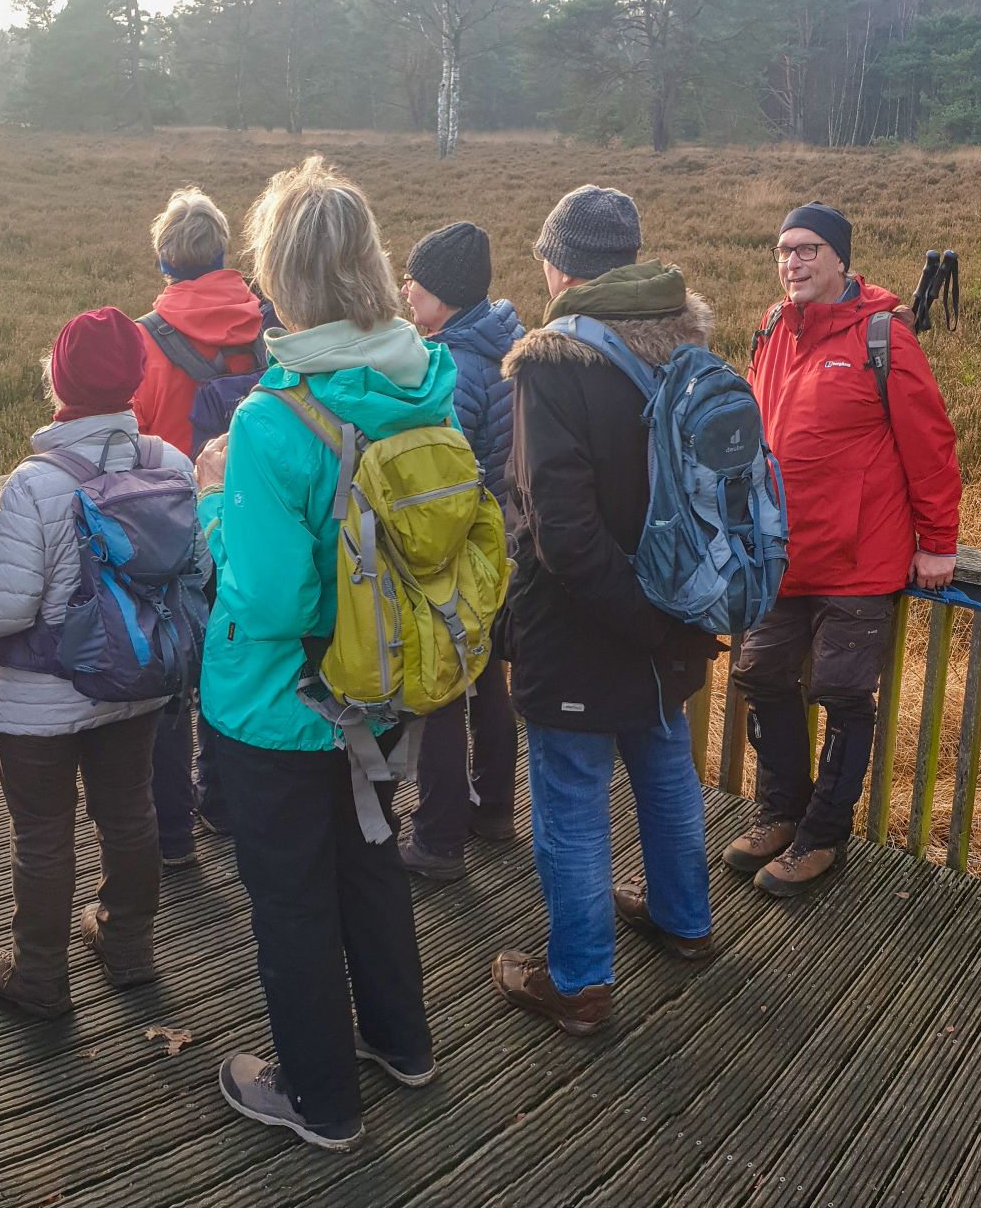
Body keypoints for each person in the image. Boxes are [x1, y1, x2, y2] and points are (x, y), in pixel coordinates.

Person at [198, 156, 440, 1153]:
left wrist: (215, 498)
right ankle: (401, 1043)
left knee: (292, 901)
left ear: (279, 275)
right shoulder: (422, 382)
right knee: (370, 865)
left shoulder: (269, 419)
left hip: (278, 703)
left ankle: (318, 1099)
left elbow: (267, 597)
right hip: (379, 688)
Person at [490, 184, 723, 1039]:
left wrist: (637, 618)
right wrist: (666, 621)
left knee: (574, 799)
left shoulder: (552, 361)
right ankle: (684, 921)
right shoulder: (685, 338)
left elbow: (560, 529)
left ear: (562, 265)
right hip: (674, 615)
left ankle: (579, 980)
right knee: (667, 771)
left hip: (589, 629)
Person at [0, 307, 204, 1019]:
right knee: (129, 811)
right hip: (136, 682)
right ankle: (128, 945)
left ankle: (40, 975)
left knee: (42, 831)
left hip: (42, 699)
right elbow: (195, 571)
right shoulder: (171, 464)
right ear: (135, 377)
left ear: (58, 379)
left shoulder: (34, 483)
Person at [724, 203, 960, 895]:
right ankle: (780, 812)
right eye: (782, 251)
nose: (791, 262)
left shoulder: (882, 335)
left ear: (839, 260)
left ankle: (822, 835)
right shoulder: (772, 327)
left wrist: (939, 543)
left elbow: (931, 445)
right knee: (761, 675)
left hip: (860, 557)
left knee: (841, 692)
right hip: (782, 553)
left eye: (806, 249)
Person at [131, 186, 268, 849]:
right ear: (222, 255)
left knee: (169, 674)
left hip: (167, 525)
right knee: (232, 656)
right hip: (248, 513)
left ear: (165, 260)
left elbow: (124, 436)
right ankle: (224, 799)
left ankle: (173, 828)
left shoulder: (145, 339)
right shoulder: (265, 324)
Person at [397, 222, 523, 880]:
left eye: (412, 279)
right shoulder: (505, 345)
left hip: (456, 546)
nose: (404, 289)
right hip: (501, 543)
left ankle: (439, 838)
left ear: (440, 291)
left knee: (443, 685)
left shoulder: (449, 367)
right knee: (486, 676)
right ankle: (493, 809)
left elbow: (438, 475)